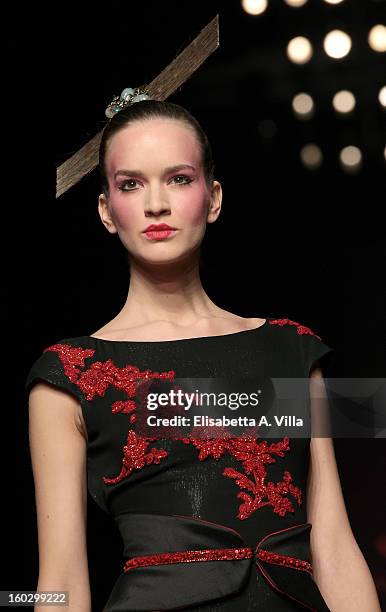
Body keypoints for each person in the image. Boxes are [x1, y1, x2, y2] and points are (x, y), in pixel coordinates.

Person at [25, 100, 381, 611]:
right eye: (130, 184)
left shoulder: (294, 348)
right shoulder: (66, 374)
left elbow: (337, 547)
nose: (155, 205)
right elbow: (58, 580)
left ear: (213, 198)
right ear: (105, 211)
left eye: (178, 179)